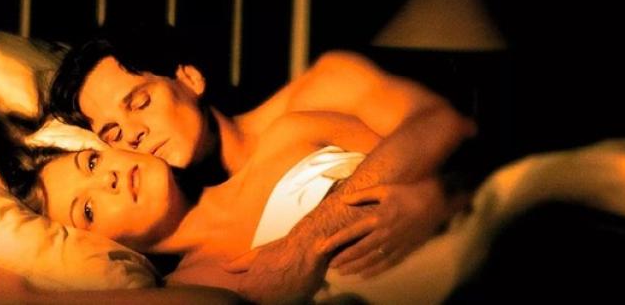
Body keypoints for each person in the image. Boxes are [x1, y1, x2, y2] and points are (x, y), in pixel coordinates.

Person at [46, 29, 479, 301]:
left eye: (139, 102)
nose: (133, 133)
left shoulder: (320, 94)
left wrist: (308, 239)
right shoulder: (189, 272)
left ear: (189, 79)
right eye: (112, 133)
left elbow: (445, 126)